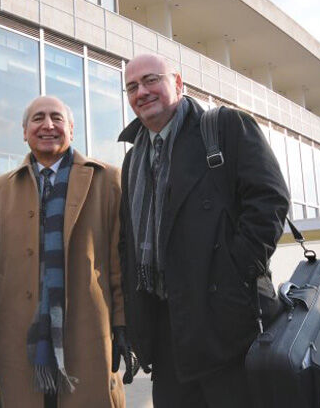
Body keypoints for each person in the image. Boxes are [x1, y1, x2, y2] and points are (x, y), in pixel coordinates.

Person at [118, 53, 290, 407]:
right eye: (132, 86)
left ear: (178, 84)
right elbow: (129, 243)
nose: (142, 92)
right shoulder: (132, 158)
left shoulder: (225, 128)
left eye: (151, 80)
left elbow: (269, 201)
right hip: (166, 331)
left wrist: (233, 274)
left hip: (225, 325)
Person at [0, 96, 138, 408]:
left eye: (56, 118)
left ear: (71, 130)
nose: (48, 125)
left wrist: (123, 326)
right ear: (24, 131)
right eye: (37, 119)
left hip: (89, 336)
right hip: (15, 341)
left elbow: (121, 262)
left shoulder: (109, 181)